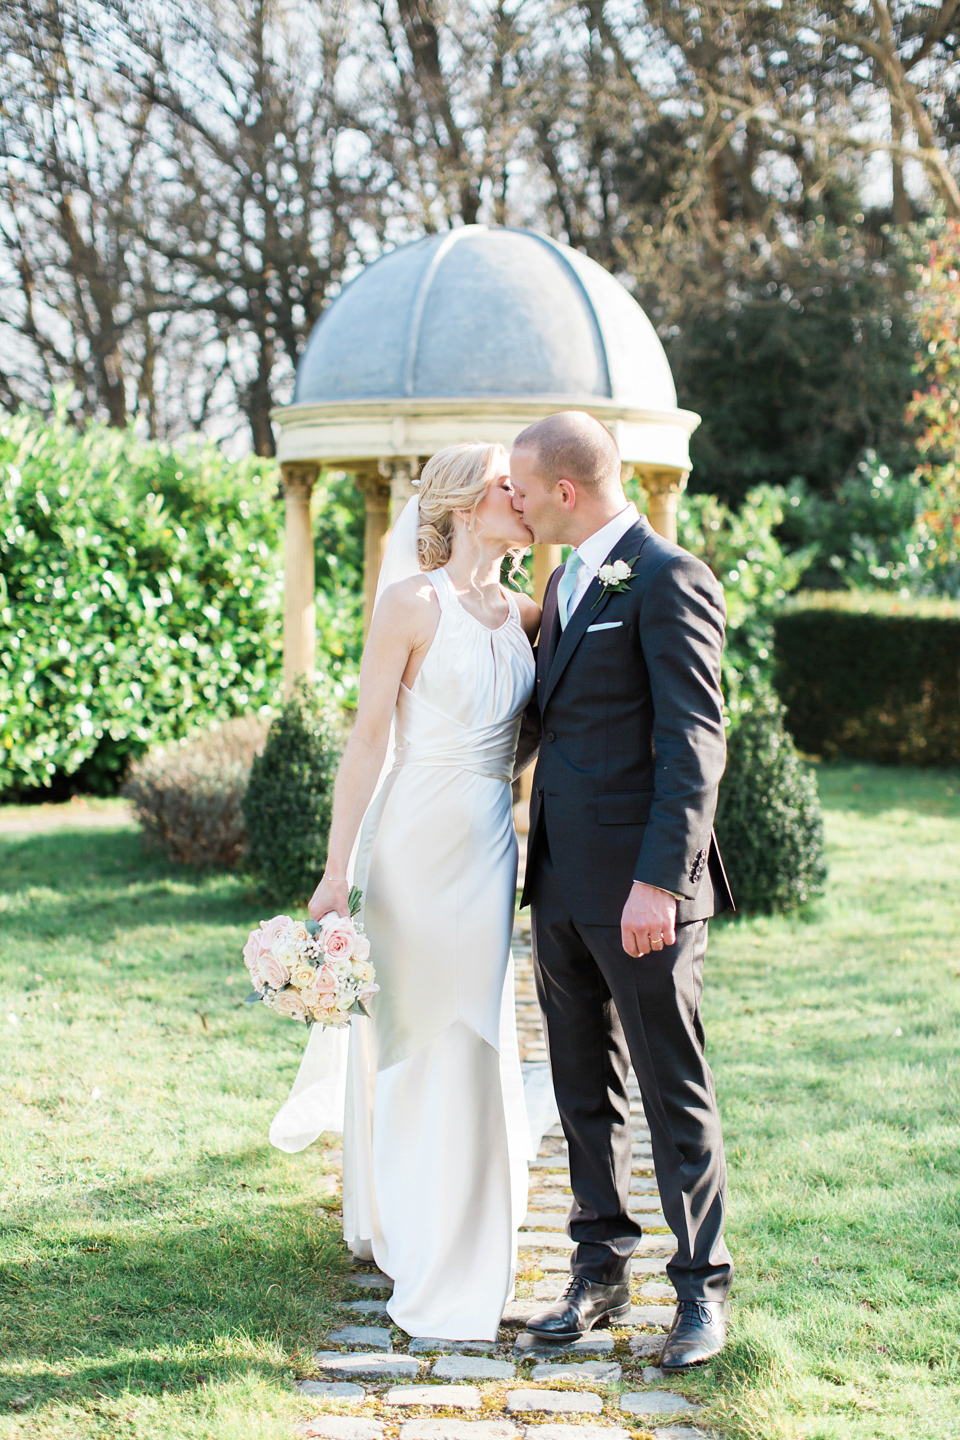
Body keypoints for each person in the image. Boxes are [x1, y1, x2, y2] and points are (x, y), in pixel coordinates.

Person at [274, 441, 540, 1342]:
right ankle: (418, 1232)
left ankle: (472, 1237)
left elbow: (537, 732)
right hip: (414, 846)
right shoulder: (410, 606)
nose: (527, 496)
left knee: (474, 1034)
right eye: (511, 485)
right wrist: (335, 871)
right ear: (468, 502)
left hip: (488, 846)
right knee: (415, 1032)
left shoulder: (530, 613)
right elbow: (367, 744)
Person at [509, 410, 735, 1371]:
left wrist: (660, 882)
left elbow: (694, 742)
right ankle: (597, 1270)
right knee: (580, 1087)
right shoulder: (562, 581)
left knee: (669, 1085)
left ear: (567, 491)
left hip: (644, 892)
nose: (510, 500)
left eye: (521, 487)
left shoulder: (668, 576)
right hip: (557, 881)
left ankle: (702, 1293)